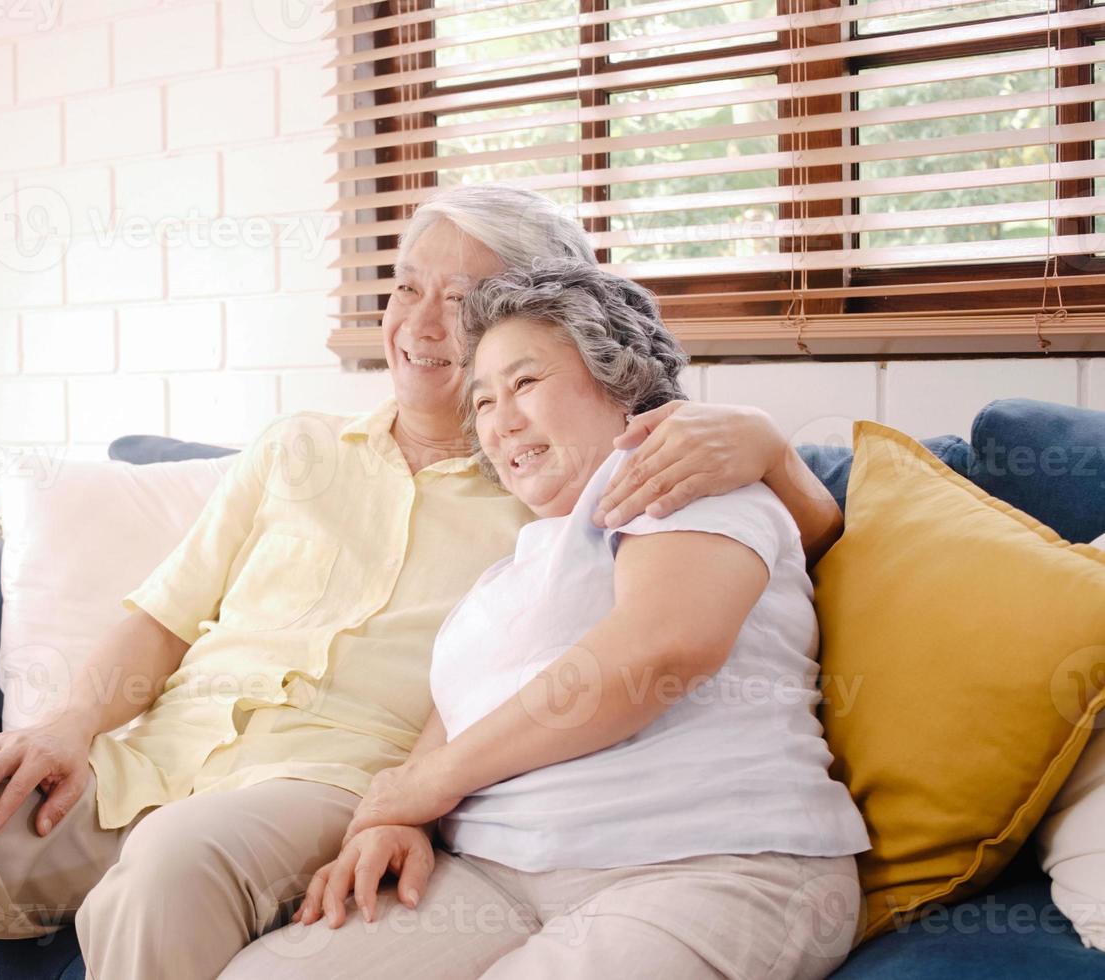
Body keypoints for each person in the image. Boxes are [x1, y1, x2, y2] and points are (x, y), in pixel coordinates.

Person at [0, 183, 847, 980]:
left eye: (465, 304)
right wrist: (66, 726)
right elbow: (162, 617)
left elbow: (743, 552)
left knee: (167, 866)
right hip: (159, 750)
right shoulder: (302, 450)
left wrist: (765, 441)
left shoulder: (554, 489)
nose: (420, 323)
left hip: (325, 782)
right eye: (403, 289)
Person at [224, 261, 868, 980]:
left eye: (525, 383)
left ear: (619, 376)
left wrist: (429, 786)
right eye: (485, 399)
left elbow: (660, 655)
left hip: (707, 863)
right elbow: (463, 712)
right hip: (500, 876)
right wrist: (394, 815)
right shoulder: (515, 567)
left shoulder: (681, 475)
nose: (501, 421)